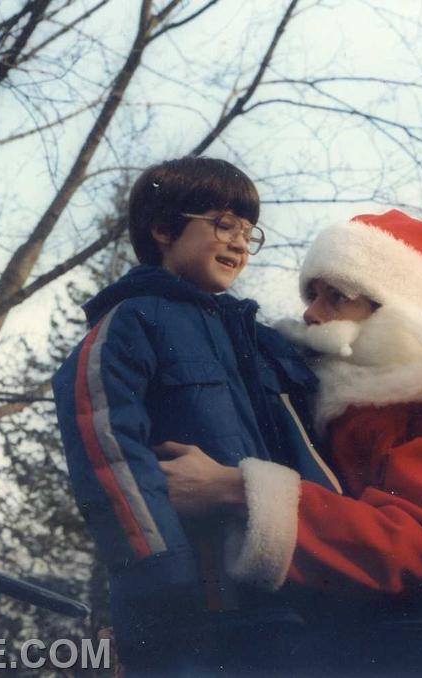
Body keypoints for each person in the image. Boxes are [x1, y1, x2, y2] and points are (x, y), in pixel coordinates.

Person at [157, 210, 422, 666]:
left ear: (397, 315)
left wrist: (235, 490)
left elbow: (414, 550)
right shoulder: (343, 404)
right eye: (312, 294)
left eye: (337, 297)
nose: (311, 313)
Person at [52, 156, 340, 674]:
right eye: (224, 225)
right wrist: (160, 568)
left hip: (279, 592)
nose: (238, 243)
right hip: (187, 600)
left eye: (249, 232)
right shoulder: (131, 322)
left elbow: (306, 437)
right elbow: (106, 446)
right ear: (164, 229)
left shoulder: (256, 339)